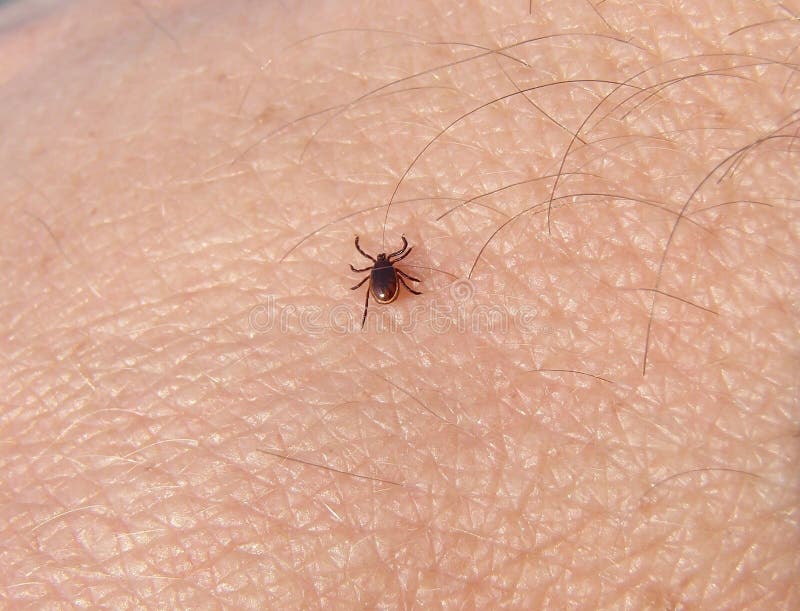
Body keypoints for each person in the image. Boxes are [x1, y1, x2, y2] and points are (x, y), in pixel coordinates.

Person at [1, 0, 796, 607]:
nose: (385, 268)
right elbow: (393, 271)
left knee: (376, 305)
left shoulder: (376, 272)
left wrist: (377, 289)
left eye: (384, 266)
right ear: (391, 267)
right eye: (386, 266)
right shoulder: (394, 269)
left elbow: (373, 273)